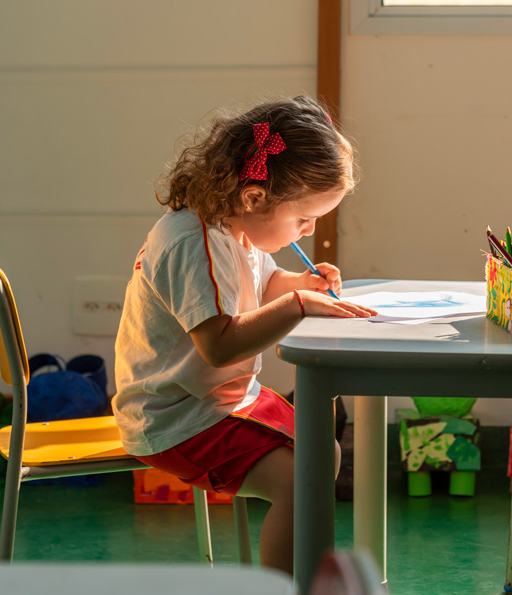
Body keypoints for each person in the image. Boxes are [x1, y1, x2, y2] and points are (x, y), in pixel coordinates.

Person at [113, 96, 376, 573]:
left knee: (323, 452)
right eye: (302, 219)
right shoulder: (194, 243)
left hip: (220, 400)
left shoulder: (237, 228)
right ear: (255, 197)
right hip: (178, 416)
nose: (309, 230)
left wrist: (298, 284)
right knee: (305, 477)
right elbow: (218, 345)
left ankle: (296, 575)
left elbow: (262, 284)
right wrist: (298, 304)